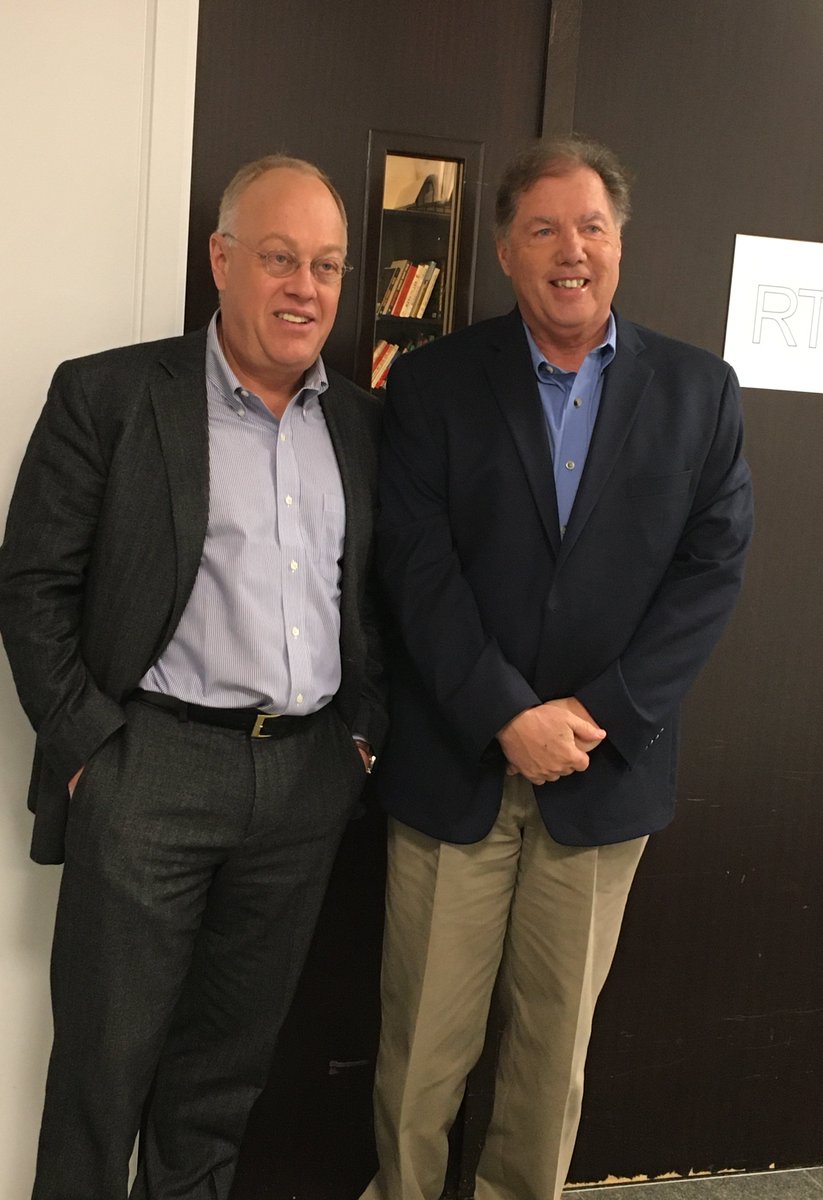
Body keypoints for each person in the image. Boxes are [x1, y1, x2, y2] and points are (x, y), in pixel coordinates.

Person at [362, 135, 753, 1200]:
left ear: (620, 243)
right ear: (505, 251)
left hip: (601, 774)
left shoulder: (700, 392)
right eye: (543, 229)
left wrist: (597, 713)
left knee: (551, 1059)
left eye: (591, 227)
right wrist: (506, 713)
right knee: (420, 1055)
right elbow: (415, 566)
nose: (570, 249)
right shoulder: (434, 382)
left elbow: (711, 572)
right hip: (456, 768)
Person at [0, 154, 386, 1200]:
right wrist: (92, 751)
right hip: (151, 772)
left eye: (327, 266)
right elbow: (32, 584)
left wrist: (359, 739)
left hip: (303, 783)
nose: (305, 288)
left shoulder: (360, 424)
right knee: (103, 1074)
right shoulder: (112, 396)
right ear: (221, 260)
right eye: (279, 258)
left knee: (222, 1080)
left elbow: (377, 600)